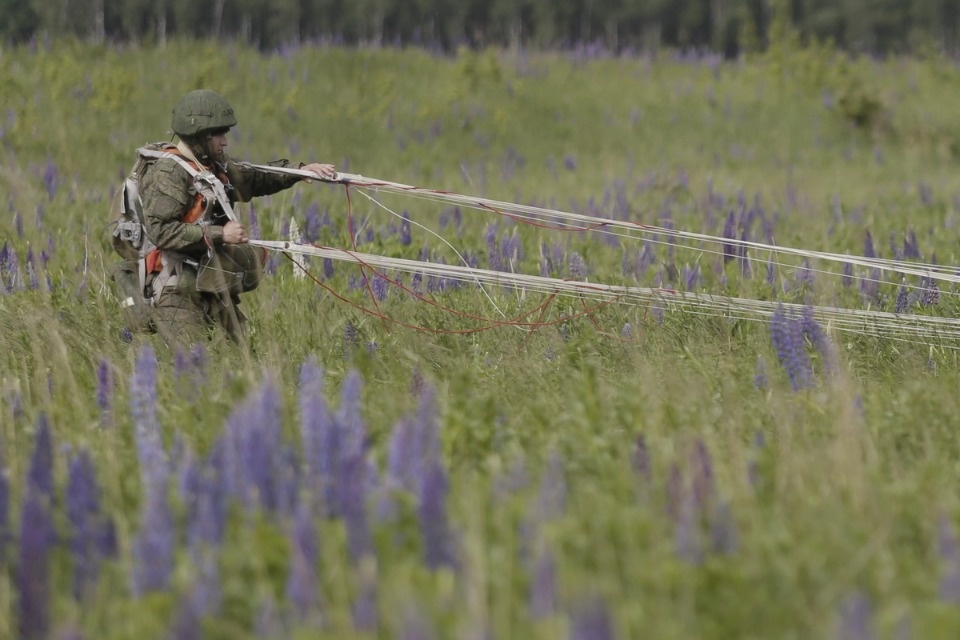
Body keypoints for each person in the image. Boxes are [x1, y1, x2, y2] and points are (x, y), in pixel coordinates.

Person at [115, 89, 335, 347]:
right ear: (199, 137)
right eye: (218, 134)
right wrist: (222, 234)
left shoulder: (211, 167)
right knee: (194, 367)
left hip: (209, 284)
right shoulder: (169, 174)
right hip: (174, 290)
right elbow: (161, 232)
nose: (225, 141)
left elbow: (254, 178)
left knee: (245, 360)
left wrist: (299, 172)